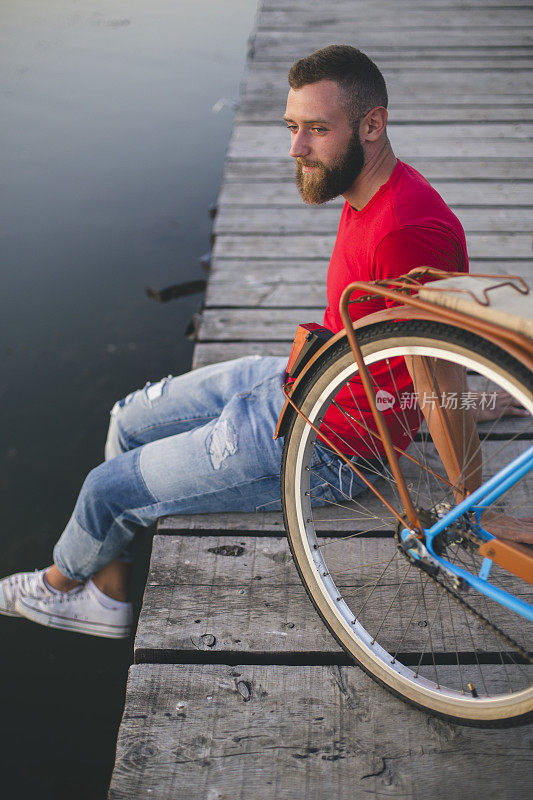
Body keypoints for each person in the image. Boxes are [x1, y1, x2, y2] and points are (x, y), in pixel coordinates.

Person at [0, 45, 515, 639]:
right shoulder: (372, 192)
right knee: (126, 420)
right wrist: (481, 395)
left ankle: (58, 586)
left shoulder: (405, 230)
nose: (296, 150)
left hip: (327, 446)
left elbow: (436, 371)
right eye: (293, 128)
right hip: (305, 376)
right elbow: (422, 347)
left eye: (317, 130)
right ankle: (110, 594)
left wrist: (474, 509)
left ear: (373, 125)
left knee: (102, 492)